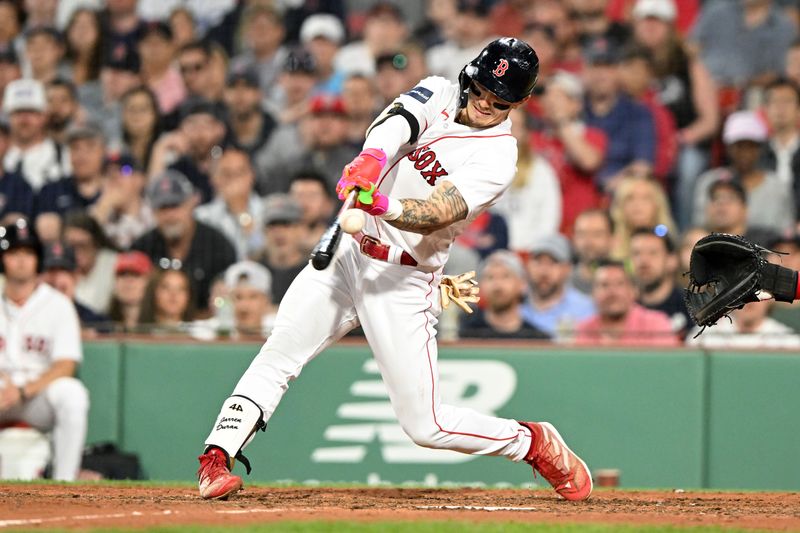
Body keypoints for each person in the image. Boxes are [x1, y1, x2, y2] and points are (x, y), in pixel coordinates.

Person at [196, 38, 592, 503]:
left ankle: (532, 441)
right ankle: (216, 457)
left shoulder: (498, 157)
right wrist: (370, 161)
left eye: (499, 100)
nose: (485, 103)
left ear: (520, 103)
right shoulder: (440, 91)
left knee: (426, 425)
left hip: (403, 280)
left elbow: (437, 211)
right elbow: (397, 123)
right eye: (481, 89)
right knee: (280, 351)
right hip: (347, 255)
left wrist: (380, 202)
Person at [0, 218, 88, 481]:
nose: (21, 260)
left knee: (73, 395)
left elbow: (66, 365)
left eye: (28, 253)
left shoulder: (57, 304)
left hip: (34, 396)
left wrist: (24, 390)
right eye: (14, 252)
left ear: (38, 259)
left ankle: (64, 483)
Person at [132, 170, 236, 313]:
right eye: (163, 208)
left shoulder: (217, 245)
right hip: (154, 328)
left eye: (175, 205)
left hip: (206, 328)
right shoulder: (142, 247)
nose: (170, 215)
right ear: (153, 211)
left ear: (191, 203)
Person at [693, 111, 795, 234]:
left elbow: (785, 232)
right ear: (728, 147)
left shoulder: (777, 187)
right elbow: (700, 227)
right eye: (739, 145)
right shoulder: (709, 182)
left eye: (751, 146)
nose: (744, 152)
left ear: (760, 149)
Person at [575, 259, 680, 346]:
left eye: (620, 284)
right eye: (604, 285)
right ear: (593, 294)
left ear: (634, 291)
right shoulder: (584, 330)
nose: (612, 292)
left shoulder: (656, 325)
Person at [459, 250, 550, 339]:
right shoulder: (465, 333)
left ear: (522, 283)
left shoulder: (535, 339)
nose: (497, 285)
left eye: (505, 276)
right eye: (490, 277)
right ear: (480, 285)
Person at [194, 147, 265, 261]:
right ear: (214, 179)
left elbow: (263, 252)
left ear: (252, 175)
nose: (234, 180)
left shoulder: (267, 210)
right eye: (227, 174)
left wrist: (242, 213)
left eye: (240, 173)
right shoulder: (201, 216)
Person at [521, 234, 595, 339]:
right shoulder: (513, 304)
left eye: (553, 262)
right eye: (538, 262)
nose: (544, 271)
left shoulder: (586, 310)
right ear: (528, 266)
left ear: (568, 268)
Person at [629, 227, 691, 336]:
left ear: (672, 261)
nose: (643, 261)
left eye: (653, 253)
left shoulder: (692, 308)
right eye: (636, 253)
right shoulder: (623, 307)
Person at [254, 193, 310, 304]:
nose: (279, 233)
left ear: (300, 229)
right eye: (272, 225)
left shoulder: (313, 269)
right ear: (264, 231)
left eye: (286, 225)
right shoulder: (254, 268)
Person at [41, 241, 108, 330]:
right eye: (51, 270)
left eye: (63, 270)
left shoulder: (96, 322)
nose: (57, 278)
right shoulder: (27, 315)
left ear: (76, 276)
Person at [137, 267, 196, 333]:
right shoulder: (137, 334)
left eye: (181, 289)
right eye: (165, 287)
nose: (173, 294)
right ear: (153, 293)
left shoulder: (201, 335)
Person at [570, 208, 614, 295]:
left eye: (597, 234)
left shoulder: (628, 284)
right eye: (582, 234)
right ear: (573, 239)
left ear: (612, 240)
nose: (589, 242)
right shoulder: (562, 285)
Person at [108, 251, 152, 332]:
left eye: (135, 275)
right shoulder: (102, 325)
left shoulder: (159, 328)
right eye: (123, 274)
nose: (128, 280)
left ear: (148, 282)